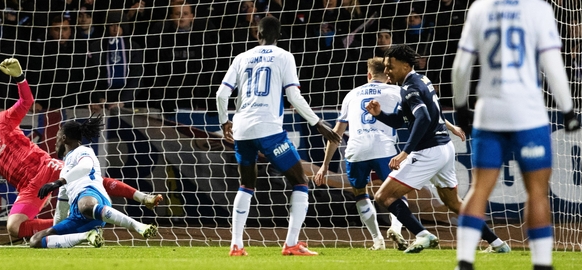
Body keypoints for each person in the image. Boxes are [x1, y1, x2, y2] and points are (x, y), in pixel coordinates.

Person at [0, 58, 163, 240]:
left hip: (45, 167)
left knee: (89, 178)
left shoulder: (2, 122)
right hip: (29, 188)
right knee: (14, 228)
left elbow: (26, 102)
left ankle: (142, 196)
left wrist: (20, 78)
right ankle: (72, 224)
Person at [452, 0, 579, 270]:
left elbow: (461, 65)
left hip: (490, 111)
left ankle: (464, 261)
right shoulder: (538, 9)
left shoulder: (481, 7)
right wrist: (567, 109)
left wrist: (461, 106)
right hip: (529, 114)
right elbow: (553, 64)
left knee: (480, 188)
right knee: (537, 191)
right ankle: (541, 264)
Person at [215, 16, 341, 256]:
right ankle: (291, 243)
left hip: (241, 129)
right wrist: (318, 123)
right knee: (301, 182)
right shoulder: (284, 56)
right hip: (269, 129)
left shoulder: (241, 58)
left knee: (246, 184)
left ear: (256, 33)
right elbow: (293, 97)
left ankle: (236, 244)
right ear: (279, 34)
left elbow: (222, 94)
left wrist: (224, 122)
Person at [365, 44, 508, 254]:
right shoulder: (421, 80)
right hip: (444, 149)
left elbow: (423, 117)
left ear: (405, 66)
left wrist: (405, 152)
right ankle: (497, 244)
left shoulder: (410, 88)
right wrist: (380, 115)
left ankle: (423, 235)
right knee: (455, 203)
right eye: (385, 67)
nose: (386, 71)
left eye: (390, 66)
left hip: (428, 152)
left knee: (383, 197)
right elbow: (403, 120)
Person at [313, 57, 407, 251]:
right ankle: (396, 228)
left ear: (368, 75)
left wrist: (324, 165)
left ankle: (377, 240)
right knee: (396, 191)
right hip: (384, 148)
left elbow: (336, 134)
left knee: (360, 193)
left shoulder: (352, 94)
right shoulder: (397, 91)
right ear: (388, 75)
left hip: (356, 150)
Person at [28, 117, 157, 248]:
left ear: (64, 138)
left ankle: (139, 226)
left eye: (57, 138)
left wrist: (58, 182)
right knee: (35, 240)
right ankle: (87, 235)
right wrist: (57, 232)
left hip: (93, 198)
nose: (55, 144)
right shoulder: (64, 170)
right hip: (77, 217)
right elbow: (61, 209)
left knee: (85, 206)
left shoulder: (82, 151)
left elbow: (86, 166)